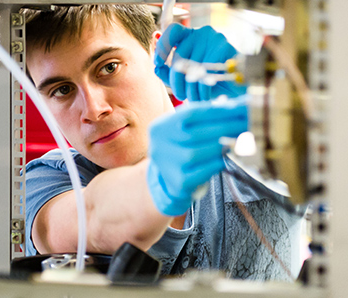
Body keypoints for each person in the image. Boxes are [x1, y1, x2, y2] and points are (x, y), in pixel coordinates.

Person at [23, 4, 302, 280]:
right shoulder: (47, 180)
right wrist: (158, 181)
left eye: (109, 67)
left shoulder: (247, 146)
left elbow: (339, 165)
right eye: (62, 90)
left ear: (158, 53)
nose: (94, 110)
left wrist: (269, 103)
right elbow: (93, 221)